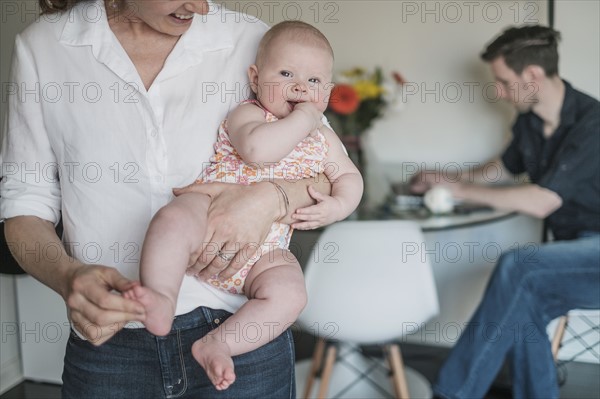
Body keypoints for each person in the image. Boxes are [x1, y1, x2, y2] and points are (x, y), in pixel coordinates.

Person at [1, 1, 333, 397]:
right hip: (112, 346)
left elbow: (324, 165)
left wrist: (272, 198)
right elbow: (24, 204)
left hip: (242, 335)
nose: (200, 5)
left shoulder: (249, 39)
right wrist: (66, 277)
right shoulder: (44, 48)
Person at [126, 20, 363, 390]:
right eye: (286, 73)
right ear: (255, 78)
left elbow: (348, 177)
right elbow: (257, 151)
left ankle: (219, 343)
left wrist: (337, 207)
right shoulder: (249, 114)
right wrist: (304, 117)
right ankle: (160, 297)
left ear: (328, 92)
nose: (300, 86)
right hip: (209, 211)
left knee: (291, 294)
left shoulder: (324, 138)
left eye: (314, 81)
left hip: (266, 252)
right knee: (172, 220)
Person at [411, 25, 599, 399]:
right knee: (523, 304)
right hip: (571, 257)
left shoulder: (592, 124)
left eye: (503, 82)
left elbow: (543, 200)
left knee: (519, 265)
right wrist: (449, 179)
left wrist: (462, 190)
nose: (498, 92)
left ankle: (451, 393)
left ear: (532, 76)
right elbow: (501, 169)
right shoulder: (529, 122)